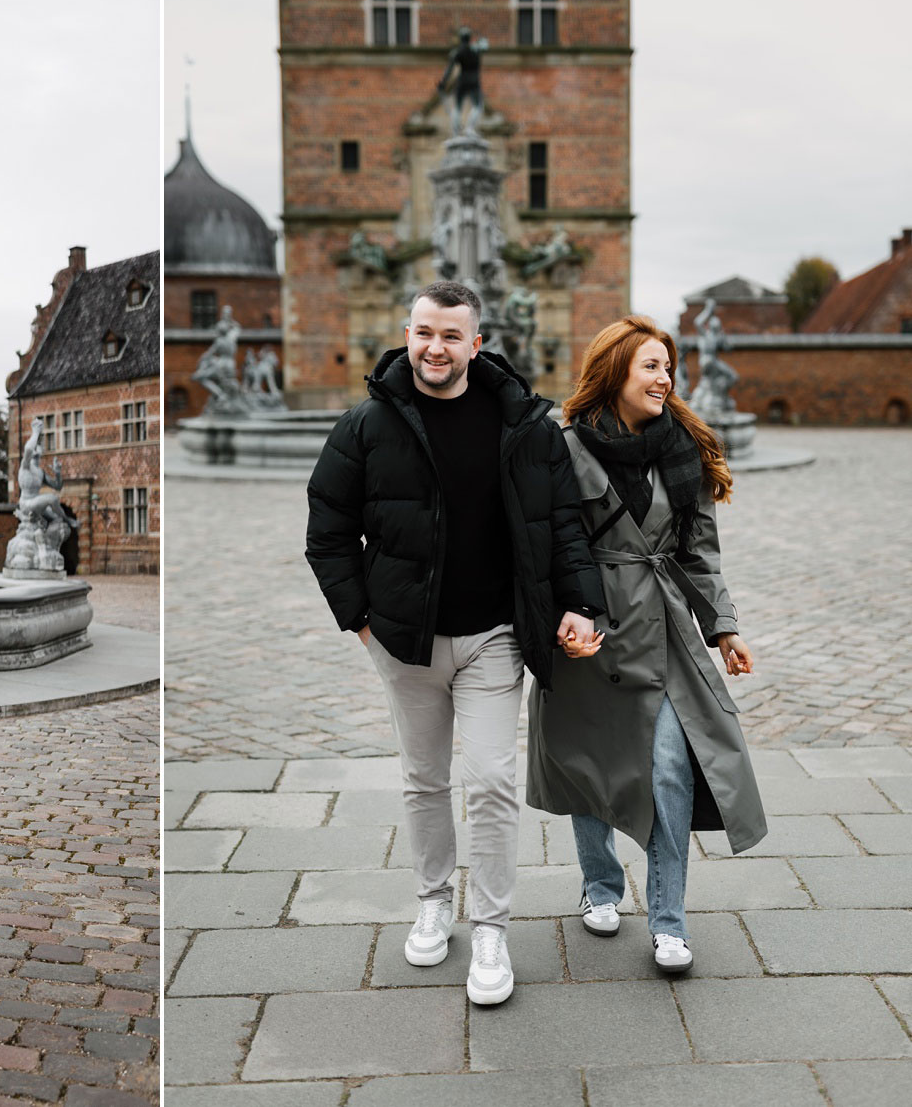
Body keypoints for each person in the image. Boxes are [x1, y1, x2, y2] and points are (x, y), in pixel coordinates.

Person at [307, 279, 605, 1007]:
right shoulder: (365, 425)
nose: (433, 348)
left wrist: (582, 605)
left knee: (495, 781)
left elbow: (562, 525)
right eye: (422, 333)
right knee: (423, 779)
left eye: (449, 336)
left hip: (495, 637)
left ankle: (492, 929)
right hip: (404, 642)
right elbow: (328, 531)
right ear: (406, 334)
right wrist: (365, 624)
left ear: (476, 343)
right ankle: (433, 898)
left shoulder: (526, 426)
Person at [527, 315, 767, 972]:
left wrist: (723, 625)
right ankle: (600, 885)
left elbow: (698, 552)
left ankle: (668, 922)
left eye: (668, 366)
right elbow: (543, 545)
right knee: (589, 766)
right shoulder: (564, 448)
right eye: (651, 367)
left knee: (669, 772)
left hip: (661, 634)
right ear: (616, 374)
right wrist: (558, 617)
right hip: (588, 630)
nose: (666, 378)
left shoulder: (683, 445)